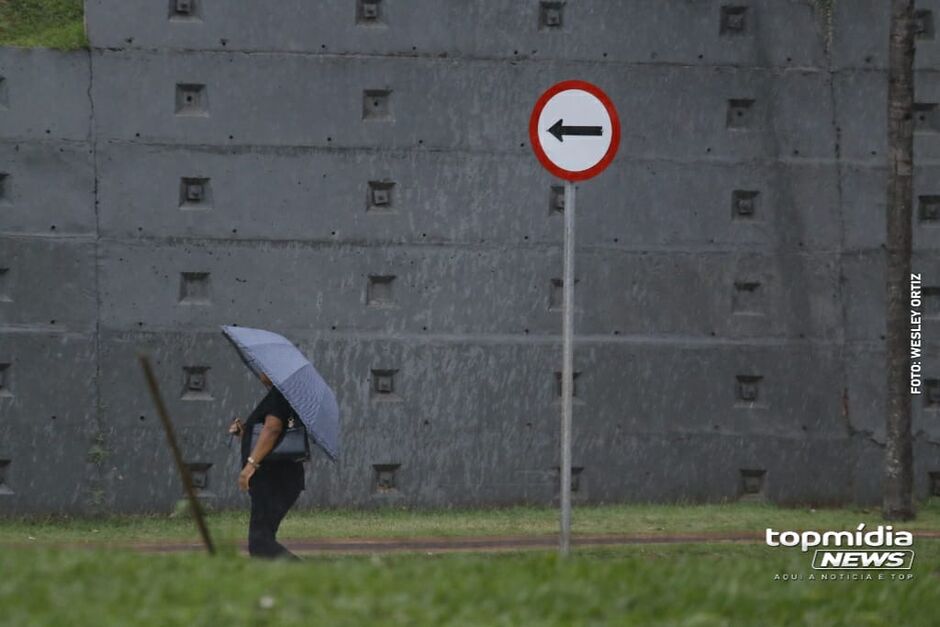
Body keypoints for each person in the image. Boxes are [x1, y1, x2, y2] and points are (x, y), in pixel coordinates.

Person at [228, 371, 305, 560]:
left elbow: (273, 428)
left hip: (274, 478)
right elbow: (277, 432)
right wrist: (245, 432)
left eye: (265, 367)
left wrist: (250, 466)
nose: (260, 370)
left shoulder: (281, 394)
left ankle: (308, 574)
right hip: (280, 478)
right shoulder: (282, 395)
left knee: (260, 543)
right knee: (262, 541)